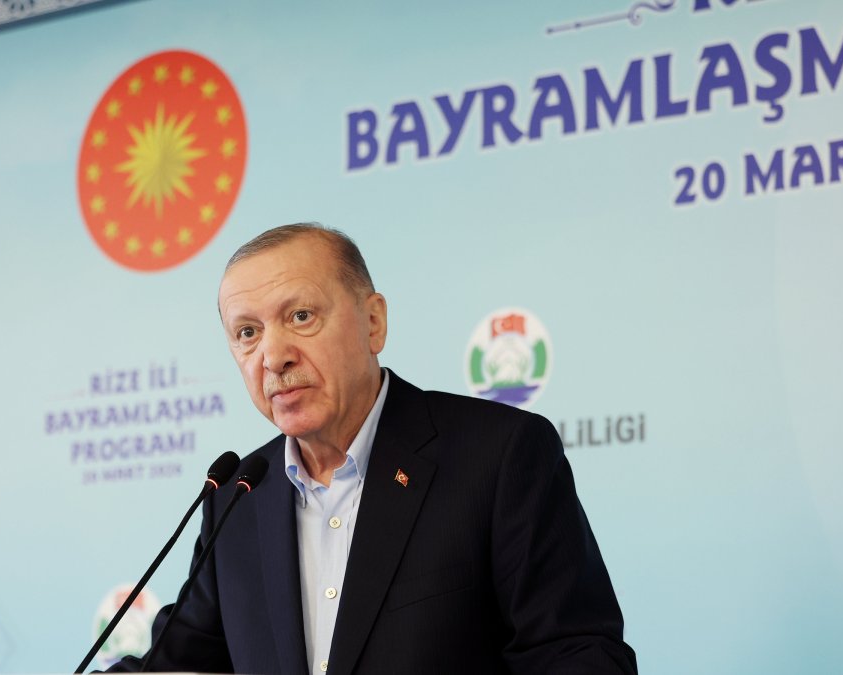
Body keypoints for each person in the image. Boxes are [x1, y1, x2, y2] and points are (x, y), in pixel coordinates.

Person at [107, 224, 636, 674]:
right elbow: (181, 660)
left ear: (373, 322)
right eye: (247, 332)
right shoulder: (239, 497)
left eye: (300, 317)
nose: (274, 356)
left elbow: (577, 656)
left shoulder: (498, 456)